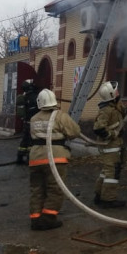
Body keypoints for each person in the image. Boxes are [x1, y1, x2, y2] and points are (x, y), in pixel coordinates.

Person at [28, 88, 81, 231]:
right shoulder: (60, 116)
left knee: (37, 189)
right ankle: (48, 219)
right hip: (55, 158)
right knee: (55, 189)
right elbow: (75, 131)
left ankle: (35, 219)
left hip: (35, 158)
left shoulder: (34, 118)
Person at [93, 81, 127, 208]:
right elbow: (99, 129)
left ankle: (99, 195)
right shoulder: (106, 110)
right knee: (112, 172)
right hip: (110, 146)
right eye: (116, 91)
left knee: (106, 171)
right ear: (112, 95)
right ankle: (108, 200)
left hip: (114, 145)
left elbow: (122, 114)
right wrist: (113, 134)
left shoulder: (114, 107)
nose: (118, 92)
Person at [15, 79, 39, 164]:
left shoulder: (24, 96)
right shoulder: (35, 97)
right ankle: (29, 159)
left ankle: (19, 158)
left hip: (26, 122)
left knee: (24, 140)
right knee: (32, 142)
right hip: (33, 123)